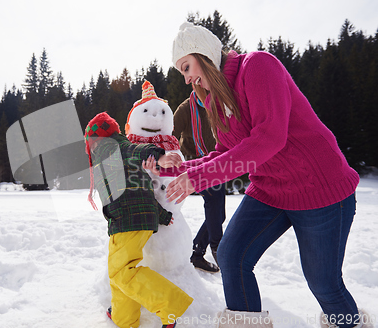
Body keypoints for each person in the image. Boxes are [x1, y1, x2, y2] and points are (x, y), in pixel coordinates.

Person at [159, 22, 370, 328]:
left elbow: (269, 138)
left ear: (204, 54)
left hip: (320, 190)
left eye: (187, 66)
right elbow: (223, 152)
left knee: (324, 284)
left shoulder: (258, 67)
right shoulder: (217, 101)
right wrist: (177, 168)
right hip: (271, 191)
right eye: (182, 72)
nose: (187, 77)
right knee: (231, 256)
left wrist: (198, 178)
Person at [84, 112, 193, 328]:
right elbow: (143, 190)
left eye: (90, 143)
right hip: (131, 219)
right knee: (118, 271)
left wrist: (158, 156)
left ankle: (170, 305)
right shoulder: (118, 156)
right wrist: (161, 215)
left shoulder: (111, 147)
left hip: (127, 220)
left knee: (123, 271)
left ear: (96, 139)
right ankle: (124, 319)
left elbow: (135, 149)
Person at [173, 93, 226, 273]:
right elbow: (170, 136)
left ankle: (197, 253)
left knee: (220, 215)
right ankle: (219, 250)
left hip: (217, 163)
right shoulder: (185, 109)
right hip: (195, 165)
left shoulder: (218, 104)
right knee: (214, 207)